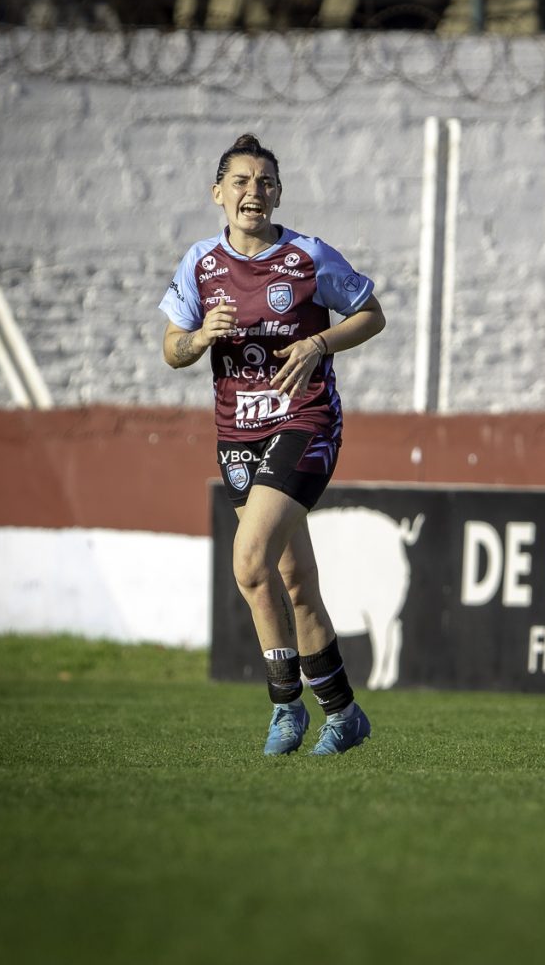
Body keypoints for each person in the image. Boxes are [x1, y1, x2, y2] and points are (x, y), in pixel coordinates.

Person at [159, 133, 386, 756]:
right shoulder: (200, 264)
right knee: (291, 579)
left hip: (305, 420)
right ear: (218, 193)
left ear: (278, 194)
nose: (252, 191)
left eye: (264, 182)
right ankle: (343, 714)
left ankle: (286, 707)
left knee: (249, 560)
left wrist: (318, 343)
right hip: (237, 431)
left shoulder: (308, 257)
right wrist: (200, 337)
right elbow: (172, 349)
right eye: (240, 181)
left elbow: (372, 314)